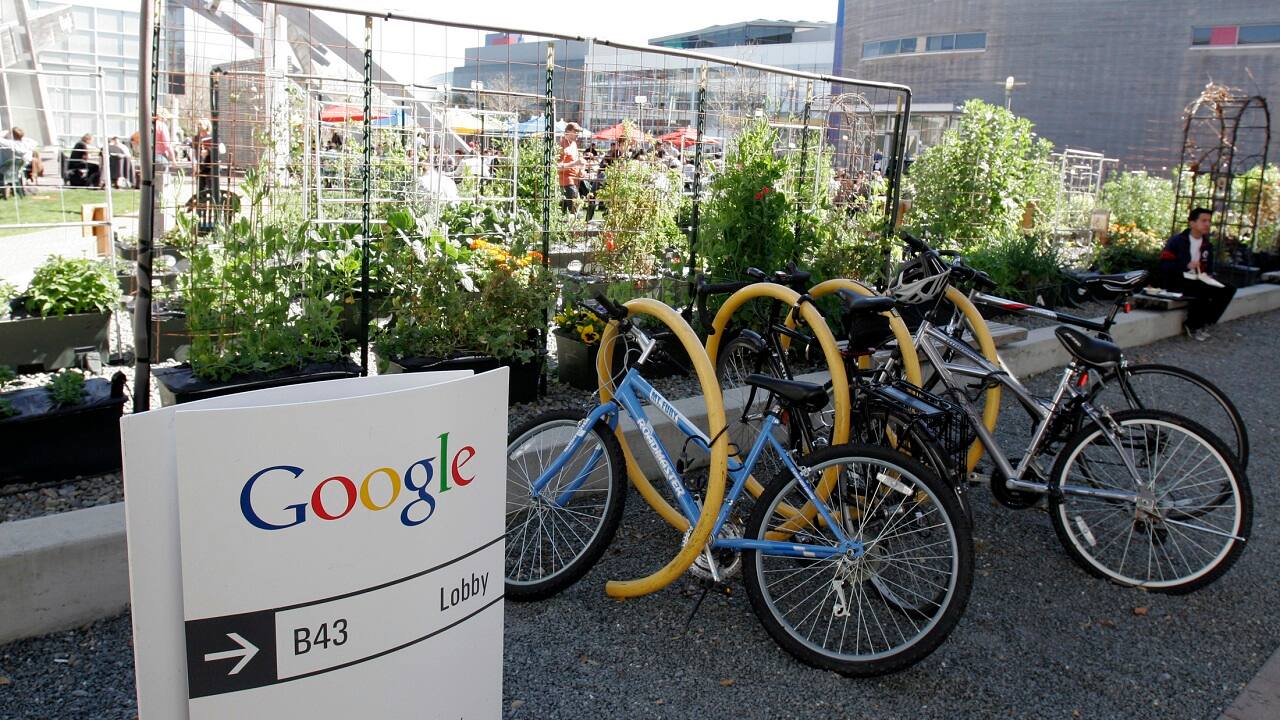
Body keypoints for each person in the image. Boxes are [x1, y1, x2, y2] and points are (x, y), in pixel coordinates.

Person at [1159, 207, 1237, 341]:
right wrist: (1185, 266)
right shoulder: (1177, 241)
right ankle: (1192, 325)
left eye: (1209, 221)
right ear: (1192, 223)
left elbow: (1208, 268)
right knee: (1200, 289)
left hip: (1198, 279)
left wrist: (1209, 276)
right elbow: (1164, 265)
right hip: (1177, 280)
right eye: (1203, 221)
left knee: (1228, 289)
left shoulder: (1207, 245)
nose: (1207, 224)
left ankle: (1205, 322)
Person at [557, 121, 584, 214]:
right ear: (568, 131)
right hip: (566, 183)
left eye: (578, 132)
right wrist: (574, 163)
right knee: (575, 212)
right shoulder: (561, 145)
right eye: (575, 131)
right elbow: (557, 167)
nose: (578, 134)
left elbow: (576, 161)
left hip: (575, 181)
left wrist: (581, 170)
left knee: (569, 212)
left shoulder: (574, 144)